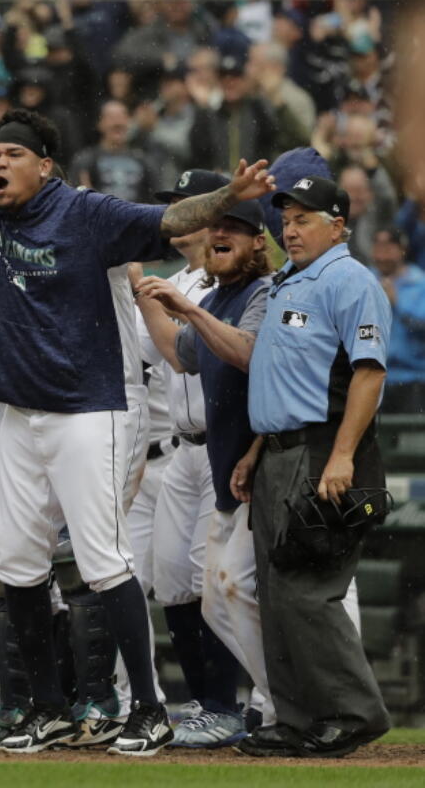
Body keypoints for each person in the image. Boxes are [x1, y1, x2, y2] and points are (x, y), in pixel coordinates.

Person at [0, 28, 275, 756]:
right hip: (20, 415)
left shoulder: (87, 213)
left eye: (12, 155)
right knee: (15, 566)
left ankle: (148, 711)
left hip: (89, 413)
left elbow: (169, 223)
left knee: (104, 562)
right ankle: (46, 708)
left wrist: (229, 197)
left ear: (47, 165)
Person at [235, 176, 392, 758]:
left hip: (322, 449)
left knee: (308, 591)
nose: (290, 229)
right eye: (286, 219)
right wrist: (255, 452)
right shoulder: (288, 281)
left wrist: (345, 454)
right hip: (278, 451)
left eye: (304, 219)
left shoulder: (350, 280)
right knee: (275, 594)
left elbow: (369, 373)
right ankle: (297, 720)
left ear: (338, 225)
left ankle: (354, 714)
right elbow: (282, 380)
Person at [136, 195, 274, 748]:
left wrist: (180, 305)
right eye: (213, 225)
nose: (217, 235)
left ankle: (246, 701)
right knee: (179, 583)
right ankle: (213, 702)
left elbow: (248, 355)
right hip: (192, 450)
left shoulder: (263, 292)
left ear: (257, 241)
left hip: (245, 453)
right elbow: (180, 354)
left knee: (223, 587)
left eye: (232, 230)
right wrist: (144, 290)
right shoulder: (214, 292)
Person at [370, 227, 425, 413]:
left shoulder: (419, 283)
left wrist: (398, 304)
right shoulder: (365, 280)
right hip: (373, 378)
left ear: (402, 249)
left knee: (410, 439)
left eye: (388, 247)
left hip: (413, 378)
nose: (382, 254)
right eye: (378, 247)